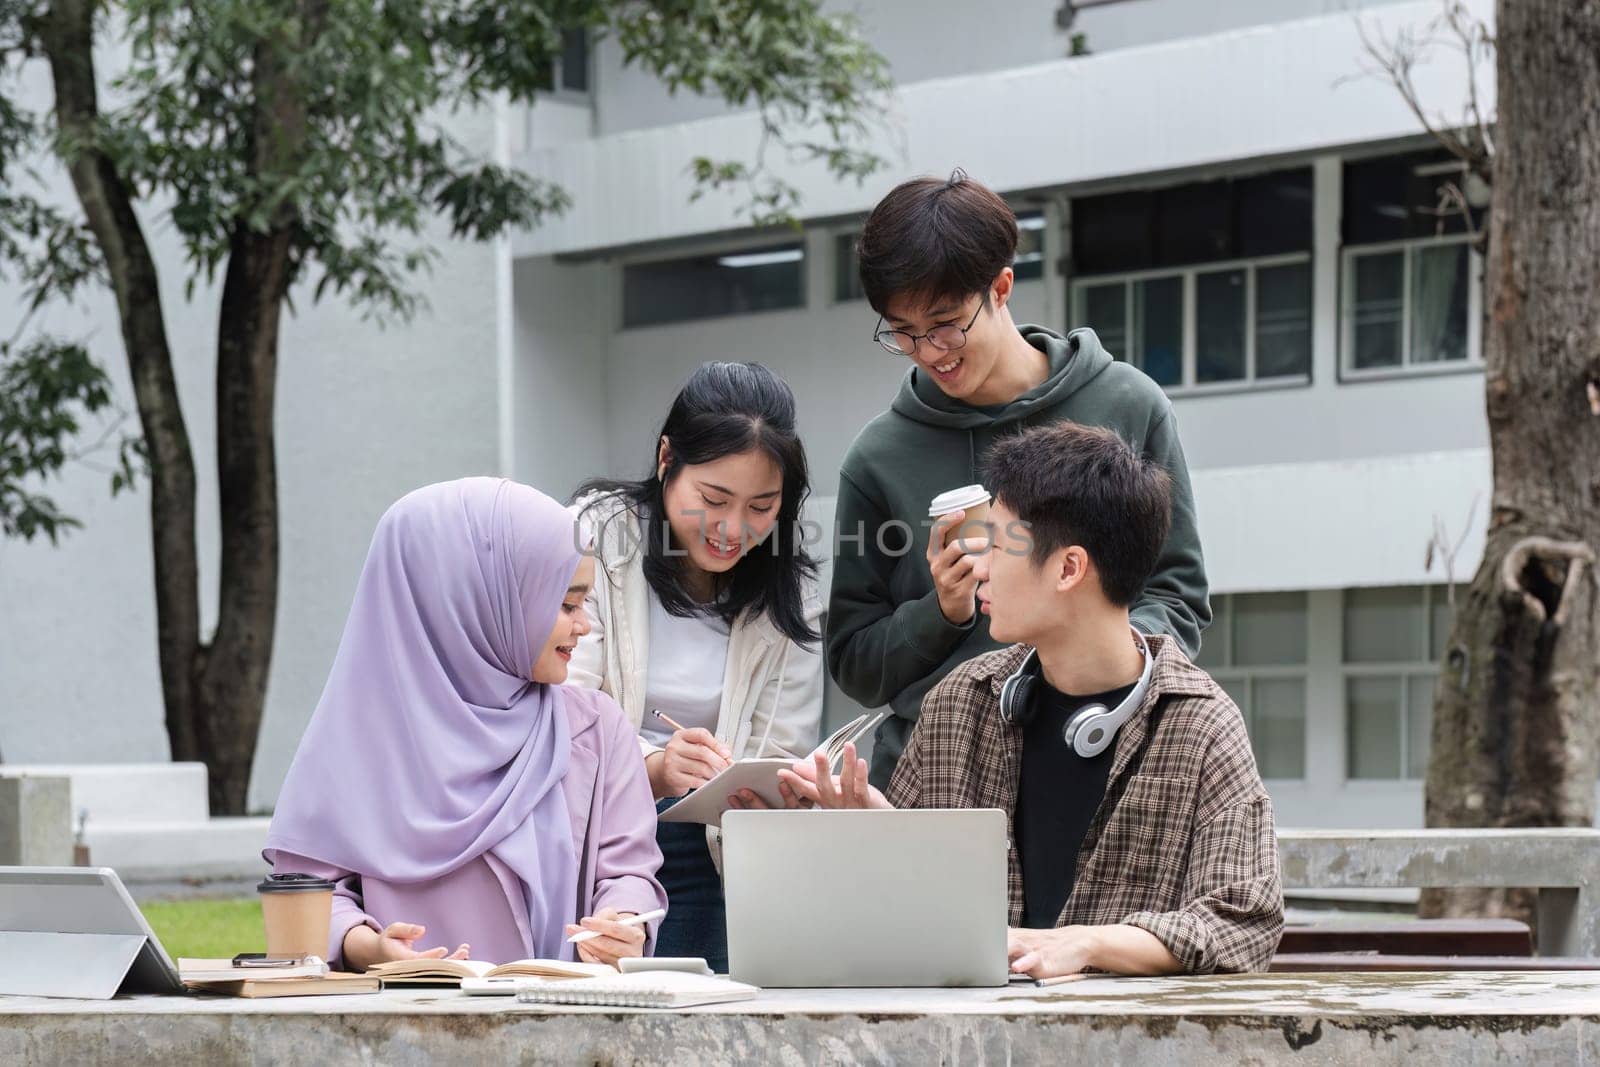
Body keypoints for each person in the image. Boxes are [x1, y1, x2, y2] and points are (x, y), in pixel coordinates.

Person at [749, 423, 1282, 978]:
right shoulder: (961, 702)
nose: (977, 565)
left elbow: (1245, 925)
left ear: (1068, 568)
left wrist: (1089, 944)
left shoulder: (1201, 725)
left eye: (998, 544)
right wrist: (882, 837)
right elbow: (906, 921)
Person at [827, 169, 1211, 789]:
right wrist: (942, 612)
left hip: (1096, 755)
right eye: (902, 331)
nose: (929, 351)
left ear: (1001, 287)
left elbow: (1178, 596)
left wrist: (1091, 664)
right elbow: (854, 665)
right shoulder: (879, 456)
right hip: (937, 782)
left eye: (947, 322)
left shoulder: (1128, 406)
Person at [264, 478, 666, 971]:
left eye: (582, 603)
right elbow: (304, 895)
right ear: (474, 601)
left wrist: (622, 922)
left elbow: (629, 871)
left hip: (569, 1025)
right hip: (404, 1026)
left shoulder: (597, 730)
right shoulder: (353, 746)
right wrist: (366, 945)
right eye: (564, 605)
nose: (583, 624)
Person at [568, 362, 824, 973]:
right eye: (713, 499)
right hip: (594, 842)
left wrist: (762, 791)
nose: (734, 529)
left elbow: (783, 742)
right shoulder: (596, 539)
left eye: (763, 506)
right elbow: (561, 713)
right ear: (665, 460)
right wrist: (653, 768)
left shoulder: (792, 592)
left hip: (721, 851)